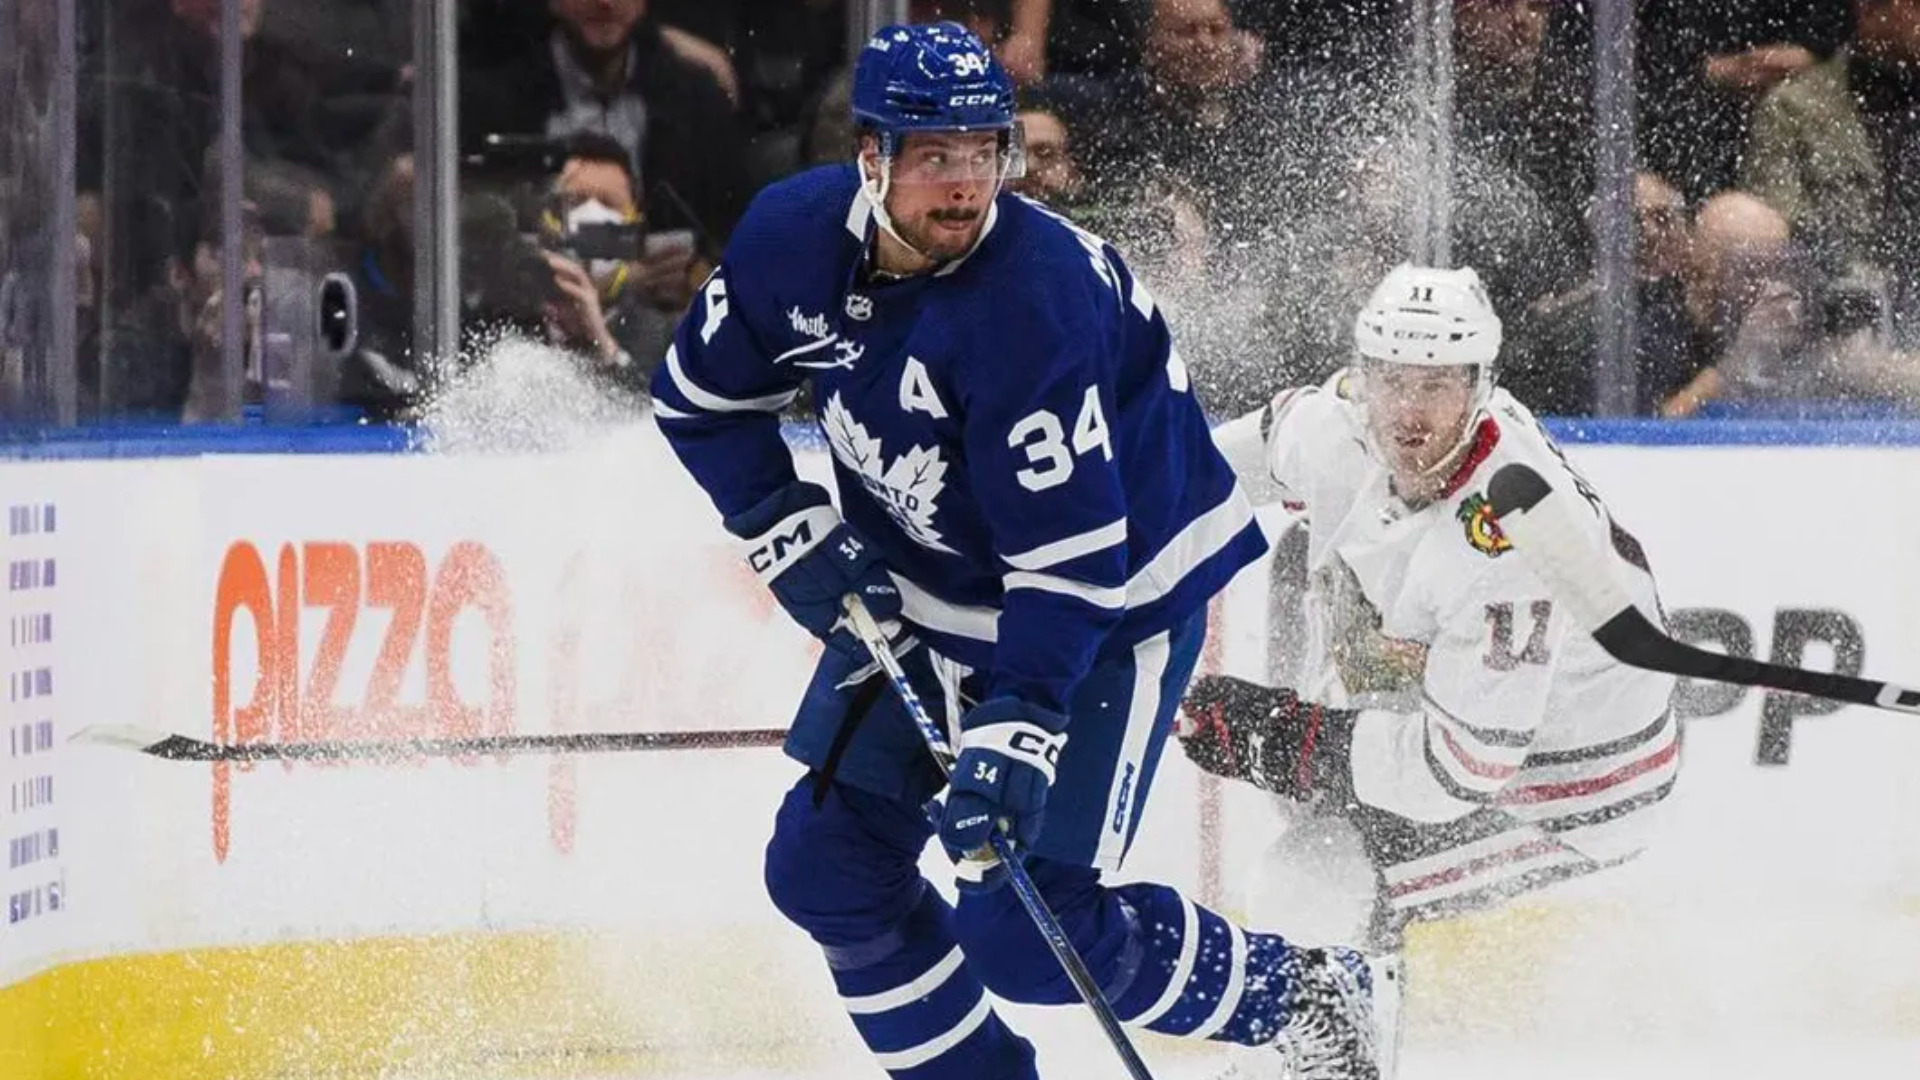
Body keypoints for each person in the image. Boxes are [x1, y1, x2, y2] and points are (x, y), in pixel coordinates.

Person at [650, 20, 1380, 1080]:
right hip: (929, 585)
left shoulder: (1032, 301)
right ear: (872, 157)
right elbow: (701, 404)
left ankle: (1314, 994)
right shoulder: (788, 239)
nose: (963, 184)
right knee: (827, 870)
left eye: (984, 152)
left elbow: (1069, 561)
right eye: (934, 155)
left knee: (1030, 934)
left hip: (1109, 602)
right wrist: (780, 521)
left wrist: (1022, 723)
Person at [1182, 264, 1683, 1077]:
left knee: (1315, 871)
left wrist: (1288, 736)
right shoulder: (1335, 426)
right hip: (1459, 715)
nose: (1410, 413)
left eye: (1439, 385)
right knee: (1324, 831)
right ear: (1362, 375)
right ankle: (1333, 1043)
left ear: (1482, 386)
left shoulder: (1511, 537)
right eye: (1391, 381)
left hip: (1572, 785)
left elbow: (1459, 772)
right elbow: (1192, 477)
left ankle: (1323, 1063)